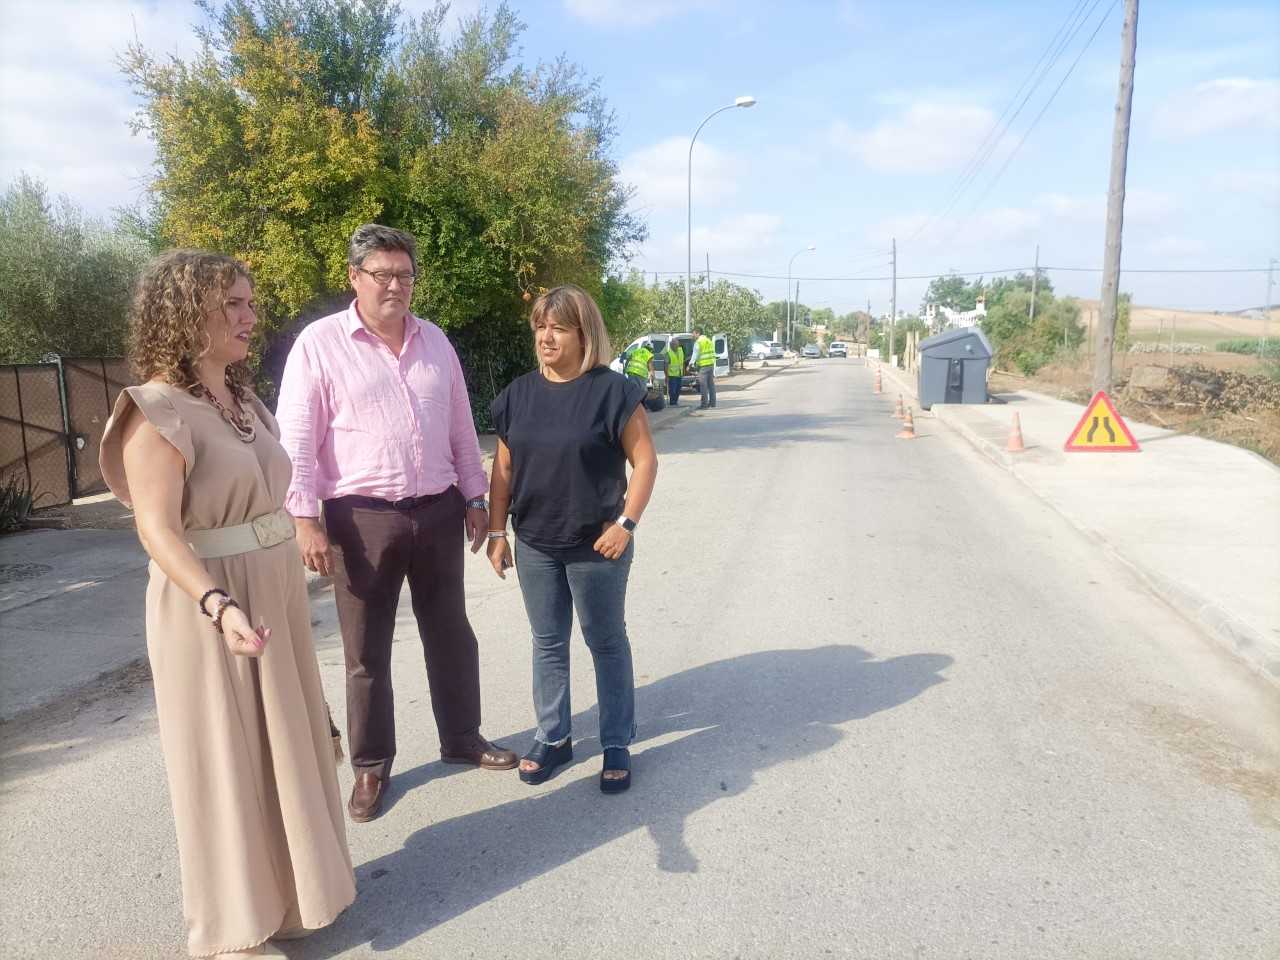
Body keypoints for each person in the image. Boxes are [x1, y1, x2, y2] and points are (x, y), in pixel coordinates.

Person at [99, 250, 355, 958]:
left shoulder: (244, 400)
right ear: (187, 315)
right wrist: (218, 603)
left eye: (249, 302)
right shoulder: (155, 409)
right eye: (232, 305)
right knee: (224, 757)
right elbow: (157, 530)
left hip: (272, 593)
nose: (250, 317)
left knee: (283, 743)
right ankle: (233, 933)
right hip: (209, 605)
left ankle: (293, 899)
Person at [275, 223, 516, 824]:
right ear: (354, 277)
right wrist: (304, 518)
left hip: (437, 511)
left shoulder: (435, 342)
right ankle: (371, 765)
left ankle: (462, 737)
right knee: (365, 650)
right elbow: (297, 439)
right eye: (381, 274)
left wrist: (476, 496)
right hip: (360, 520)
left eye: (404, 275)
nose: (395, 286)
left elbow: (460, 425)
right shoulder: (319, 345)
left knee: (451, 632)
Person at [486, 285, 659, 793]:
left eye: (558, 328)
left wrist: (625, 524)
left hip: (598, 545)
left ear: (584, 334)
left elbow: (645, 461)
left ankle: (616, 741)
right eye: (540, 327)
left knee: (606, 642)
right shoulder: (517, 396)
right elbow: (503, 470)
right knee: (547, 643)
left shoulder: (614, 392)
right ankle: (554, 736)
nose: (546, 337)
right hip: (536, 544)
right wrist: (497, 532)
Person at [689, 326, 716, 409]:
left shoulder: (698, 342)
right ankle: (712, 403)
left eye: (693, 333)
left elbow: (695, 355)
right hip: (711, 365)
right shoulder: (709, 340)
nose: (693, 335)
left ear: (698, 333)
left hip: (703, 366)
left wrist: (690, 364)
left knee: (703, 385)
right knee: (711, 385)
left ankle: (704, 404)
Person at [666, 338, 685, 406]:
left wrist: (683, 371)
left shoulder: (680, 350)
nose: (677, 346)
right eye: (675, 345)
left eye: (677, 344)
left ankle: (675, 401)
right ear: (671, 345)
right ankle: (672, 402)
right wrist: (666, 376)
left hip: (679, 374)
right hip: (672, 375)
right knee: (672, 390)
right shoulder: (668, 353)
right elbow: (666, 366)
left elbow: (682, 362)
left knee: (678, 389)